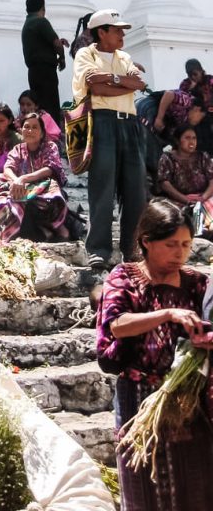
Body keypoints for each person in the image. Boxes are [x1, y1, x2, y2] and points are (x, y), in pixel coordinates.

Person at [96, 200, 213, 510]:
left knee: (195, 485)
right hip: (139, 397)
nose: (181, 253)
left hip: (188, 398)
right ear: (146, 242)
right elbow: (117, 325)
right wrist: (167, 314)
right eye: (171, 244)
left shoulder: (199, 285)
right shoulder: (125, 277)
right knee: (143, 484)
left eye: (187, 244)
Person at [72, 8, 149, 273]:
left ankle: (133, 249)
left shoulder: (124, 56)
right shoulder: (85, 54)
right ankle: (98, 250)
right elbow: (94, 86)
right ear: (101, 32)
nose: (121, 34)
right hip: (101, 121)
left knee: (135, 190)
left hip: (129, 122)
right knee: (102, 187)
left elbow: (138, 84)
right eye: (116, 30)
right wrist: (123, 82)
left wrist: (112, 80)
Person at [0, 111, 69, 242]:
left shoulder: (50, 146)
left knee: (46, 190)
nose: (30, 130)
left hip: (45, 191)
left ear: (41, 132)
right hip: (22, 188)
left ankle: (58, 228)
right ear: (21, 131)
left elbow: (49, 169)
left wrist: (23, 179)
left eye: (35, 127)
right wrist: (16, 181)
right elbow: (8, 168)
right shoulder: (18, 149)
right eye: (26, 127)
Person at [21, 0, 69, 126]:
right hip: (46, 72)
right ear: (43, 7)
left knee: (39, 106)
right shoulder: (40, 21)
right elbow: (57, 44)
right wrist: (62, 58)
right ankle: (52, 138)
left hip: (34, 72)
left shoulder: (27, 24)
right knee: (51, 107)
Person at [157, 126, 213, 235]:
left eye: (194, 138)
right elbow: (165, 183)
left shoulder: (203, 156)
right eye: (187, 138)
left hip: (203, 197)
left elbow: (212, 180)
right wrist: (185, 199)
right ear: (178, 141)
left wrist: (203, 198)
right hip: (177, 199)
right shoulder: (167, 158)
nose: (191, 141)